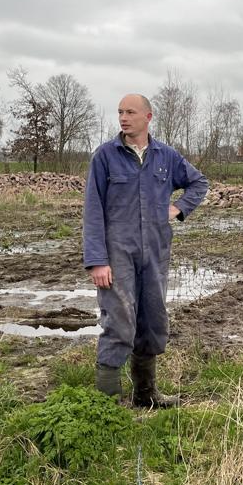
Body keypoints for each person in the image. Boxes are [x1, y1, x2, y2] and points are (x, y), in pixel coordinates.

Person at [83, 93, 208, 407]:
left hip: (154, 251)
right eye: (120, 112)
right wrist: (97, 261)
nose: (124, 118)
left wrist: (178, 208)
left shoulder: (165, 157)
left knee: (152, 319)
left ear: (148, 117)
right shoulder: (105, 157)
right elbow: (93, 211)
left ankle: (145, 395)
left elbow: (198, 183)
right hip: (117, 253)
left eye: (130, 112)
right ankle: (105, 406)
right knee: (119, 321)